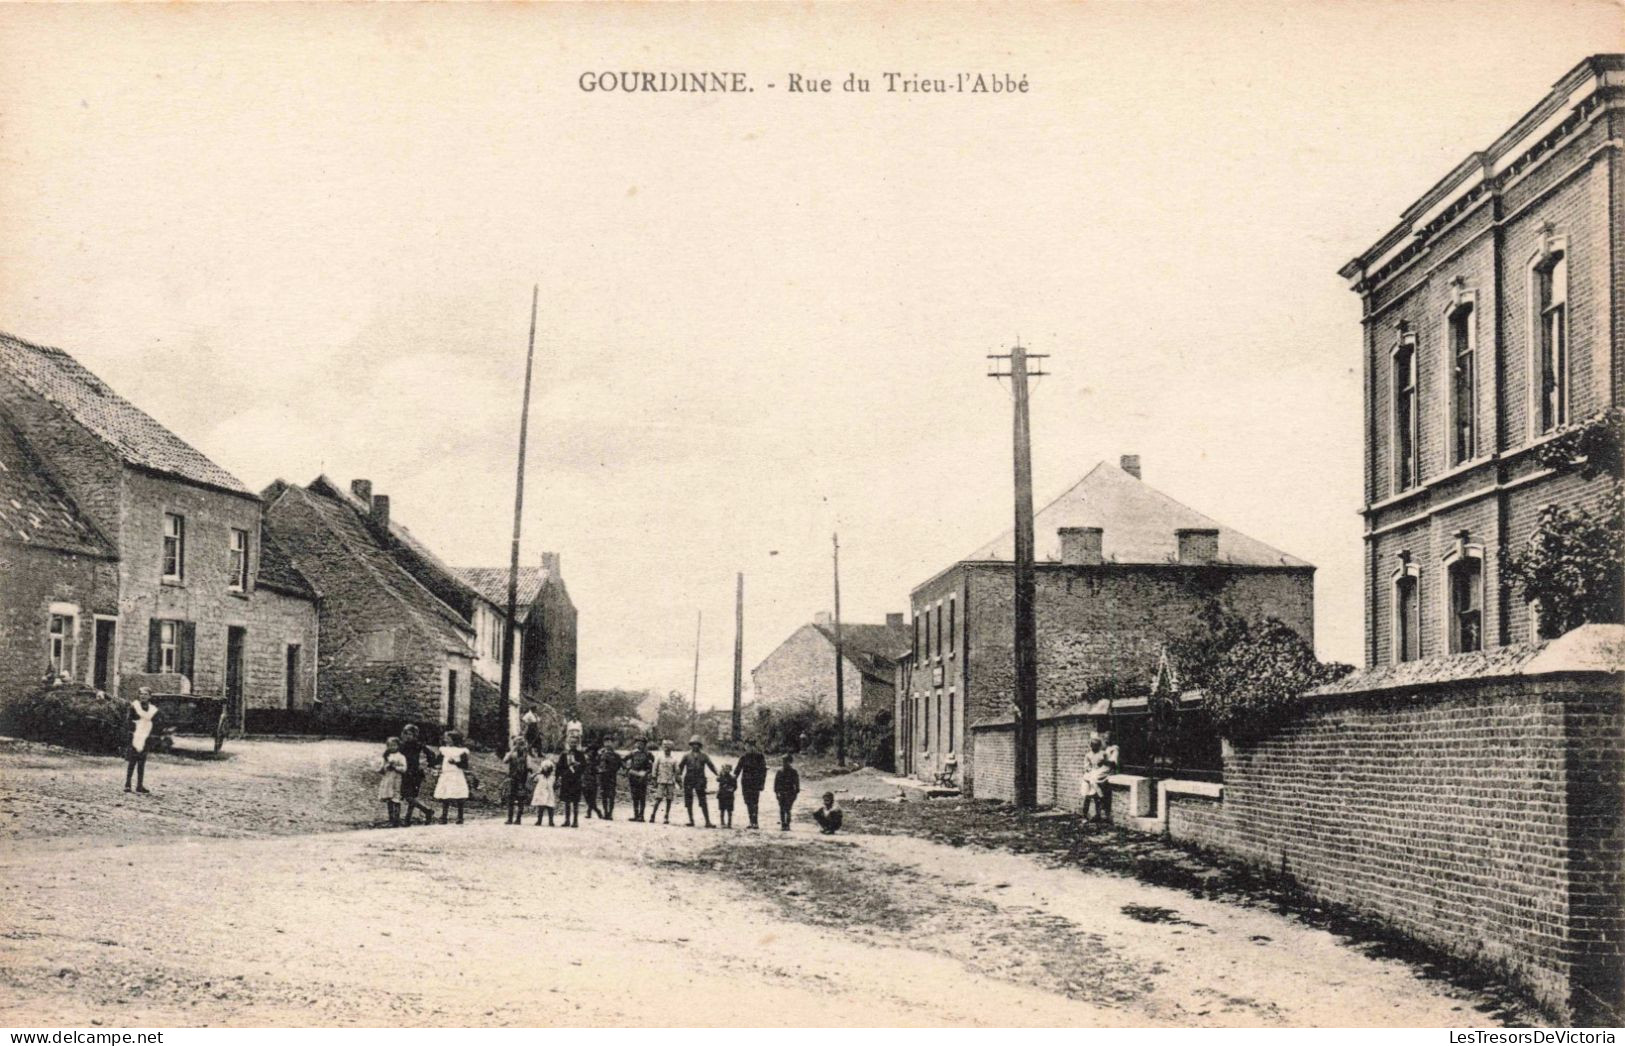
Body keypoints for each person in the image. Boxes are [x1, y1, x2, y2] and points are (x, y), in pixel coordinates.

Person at [397, 724, 437, 826]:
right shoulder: (402, 745)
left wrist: (428, 765)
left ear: (415, 736)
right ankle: (408, 819)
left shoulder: (418, 745)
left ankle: (426, 811)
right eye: (405, 734)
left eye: (410, 734)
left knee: (409, 796)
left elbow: (431, 754)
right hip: (406, 772)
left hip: (415, 773)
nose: (407, 736)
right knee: (410, 797)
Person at [124, 688, 159, 794]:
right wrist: (133, 729)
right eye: (141, 694)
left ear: (150, 696)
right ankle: (128, 784)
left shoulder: (152, 709)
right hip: (135, 736)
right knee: (132, 760)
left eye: (146, 694)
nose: (143, 696)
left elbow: (156, 723)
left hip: (146, 737)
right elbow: (128, 720)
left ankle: (139, 785)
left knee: (142, 762)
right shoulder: (134, 706)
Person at [679, 735, 718, 828]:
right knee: (688, 800)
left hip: (700, 779)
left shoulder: (704, 756)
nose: (695, 746)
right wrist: (677, 778)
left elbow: (711, 766)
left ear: (700, 745)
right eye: (693, 744)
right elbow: (680, 768)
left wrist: (718, 774)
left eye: (697, 744)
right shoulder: (686, 755)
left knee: (703, 800)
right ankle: (691, 820)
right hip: (689, 779)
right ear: (691, 745)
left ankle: (707, 821)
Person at [434, 730, 471, 824]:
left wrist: (455, 762)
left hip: (456, 775)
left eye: (448, 738)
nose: (446, 740)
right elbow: (438, 760)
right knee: (445, 796)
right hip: (446, 774)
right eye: (445, 738)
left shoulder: (461, 751)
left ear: (454, 740)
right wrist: (436, 765)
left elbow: (465, 765)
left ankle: (460, 817)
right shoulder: (444, 750)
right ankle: (444, 816)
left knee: (459, 796)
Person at [735, 739, 769, 829]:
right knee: (748, 802)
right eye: (746, 746)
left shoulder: (760, 757)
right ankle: (751, 821)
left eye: (749, 746)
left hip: (755, 783)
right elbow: (737, 771)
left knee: (754, 802)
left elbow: (764, 771)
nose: (748, 748)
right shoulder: (744, 757)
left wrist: (762, 783)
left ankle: (755, 822)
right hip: (745, 783)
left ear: (753, 746)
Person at [649, 739, 680, 825]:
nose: (666, 749)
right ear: (663, 748)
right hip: (661, 781)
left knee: (669, 799)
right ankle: (653, 815)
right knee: (658, 798)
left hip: (670, 782)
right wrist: (654, 779)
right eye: (665, 747)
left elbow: (677, 772)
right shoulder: (659, 758)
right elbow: (654, 769)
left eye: (668, 747)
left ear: (671, 749)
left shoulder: (673, 760)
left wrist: (679, 783)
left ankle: (666, 816)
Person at [378, 737, 407, 826]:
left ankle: (396, 819)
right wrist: (385, 767)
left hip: (396, 780)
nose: (392, 747)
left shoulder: (401, 756)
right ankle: (391, 819)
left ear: (398, 746)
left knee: (396, 798)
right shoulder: (386, 756)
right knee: (389, 798)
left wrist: (395, 767)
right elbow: (381, 768)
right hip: (388, 779)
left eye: (394, 745)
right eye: (390, 745)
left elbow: (404, 769)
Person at [1080, 737, 1111, 821]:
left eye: (1096, 745)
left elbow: (1108, 764)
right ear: (1090, 745)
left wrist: (1103, 764)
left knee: (1096, 797)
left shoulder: (1103, 754)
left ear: (1099, 746)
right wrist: (1089, 770)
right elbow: (1086, 766)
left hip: (1100, 774)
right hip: (1091, 775)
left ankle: (1098, 815)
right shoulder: (1088, 755)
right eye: (1093, 745)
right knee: (1087, 796)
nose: (1094, 747)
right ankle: (1084, 814)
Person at [556, 742, 586, 827]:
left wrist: (578, 766)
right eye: (571, 743)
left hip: (576, 780)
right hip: (566, 780)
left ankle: (575, 821)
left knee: (576, 801)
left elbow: (584, 766)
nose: (573, 745)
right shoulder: (564, 754)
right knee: (567, 801)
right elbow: (559, 766)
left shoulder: (580, 754)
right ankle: (567, 820)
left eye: (574, 743)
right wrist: (559, 776)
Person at [624, 738, 654, 821]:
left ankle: (641, 816)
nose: (639, 745)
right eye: (638, 743)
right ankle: (636, 815)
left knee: (642, 797)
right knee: (634, 796)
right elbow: (623, 760)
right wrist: (628, 769)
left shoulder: (648, 754)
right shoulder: (633, 753)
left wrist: (647, 773)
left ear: (645, 744)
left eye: (641, 743)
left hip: (642, 777)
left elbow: (652, 765)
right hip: (633, 776)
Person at [502, 740, 531, 825]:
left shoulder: (527, 756)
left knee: (520, 800)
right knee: (510, 799)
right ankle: (510, 818)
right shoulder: (512, 755)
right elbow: (505, 761)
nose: (520, 747)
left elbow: (529, 768)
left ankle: (518, 819)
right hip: (512, 779)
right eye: (517, 745)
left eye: (521, 745)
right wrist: (511, 751)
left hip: (522, 780)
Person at [596, 740, 623, 820]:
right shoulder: (601, 755)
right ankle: (605, 812)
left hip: (611, 776)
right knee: (604, 795)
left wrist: (613, 770)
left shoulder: (616, 755)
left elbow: (619, 764)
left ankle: (610, 813)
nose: (607, 744)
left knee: (611, 796)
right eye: (606, 742)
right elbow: (596, 763)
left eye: (609, 742)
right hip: (603, 777)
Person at [530, 750, 558, 827]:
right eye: (544, 767)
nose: (546, 769)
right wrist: (537, 772)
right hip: (541, 793)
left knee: (550, 807)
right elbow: (532, 778)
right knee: (540, 807)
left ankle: (551, 821)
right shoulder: (540, 776)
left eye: (548, 767)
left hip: (549, 793)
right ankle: (539, 820)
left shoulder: (552, 777)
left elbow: (556, 784)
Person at [774, 753, 800, 831]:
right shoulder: (779, 772)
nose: (784, 763)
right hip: (781, 793)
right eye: (783, 761)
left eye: (786, 761)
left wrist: (795, 793)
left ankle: (787, 824)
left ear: (790, 762)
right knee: (782, 809)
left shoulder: (793, 772)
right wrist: (777, 792)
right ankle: (783, 824)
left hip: (790, 793)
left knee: (788, 809)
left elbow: (797, 783)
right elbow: (776, 783)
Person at [581, 739, 602, 819]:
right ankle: (596, 810)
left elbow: (598, 771)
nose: (590, 753)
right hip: (585, 780)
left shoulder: (596, 761)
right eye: (589, 751)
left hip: (592, 781)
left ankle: (590, 812)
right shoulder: (584, 759)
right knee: (587, 798)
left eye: (592, 751)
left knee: (592, 798)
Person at [715, 763, 737, 828]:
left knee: (729, 811)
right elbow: (717, 779)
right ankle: (722, 822)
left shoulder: (732, 778)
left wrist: (731, 789)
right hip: (722, 796)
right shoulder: (721, 776)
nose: (726, 770)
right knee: (722, 810)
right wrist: (720, 773)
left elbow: (735, 786)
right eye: (725, 769)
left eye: (728, 769)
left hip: (729, 796)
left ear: (730, 770)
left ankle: (729, 823)